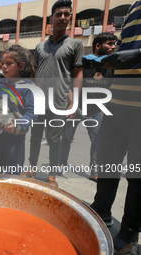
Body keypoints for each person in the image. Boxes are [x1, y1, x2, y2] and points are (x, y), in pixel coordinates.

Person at [90, 1, 141, 252]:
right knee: (107, 162)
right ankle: (102, 211)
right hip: (118, 101)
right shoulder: (134, 7)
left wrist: (138, 55)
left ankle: (130, 231)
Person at [28, 0, 84, 187]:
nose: (62, 17)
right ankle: (31, 167)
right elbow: (35, 74)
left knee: (54, 139)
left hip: (58, 102)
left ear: (70, 18)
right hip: (38, 101)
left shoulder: (75, 44)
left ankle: (52, 175)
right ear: (50, 19)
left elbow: (77, 74)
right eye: (58, 14)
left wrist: (74, 101)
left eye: (66, 14)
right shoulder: (39, 47)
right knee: (35, 137)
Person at [59, 32, 117, 181]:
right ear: (98, 46)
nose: (113, 46)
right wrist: (72, 104)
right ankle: (60, 164)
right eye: (109, 43)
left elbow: (107, 89)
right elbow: (68, 84)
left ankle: (95, 170)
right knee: (66, 137)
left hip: (96, 111)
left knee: (97, 140)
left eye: (114, 43)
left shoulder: (110, 66)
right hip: (77, 108)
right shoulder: (83, 63)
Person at [0, 45, 36, 174]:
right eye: (3, 63)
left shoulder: (29, 88)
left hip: (15, 140)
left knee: (12, 177)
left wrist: (17, 125)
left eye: (9, 63)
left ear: (21, 66)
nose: (4, 66)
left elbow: (32, 113)